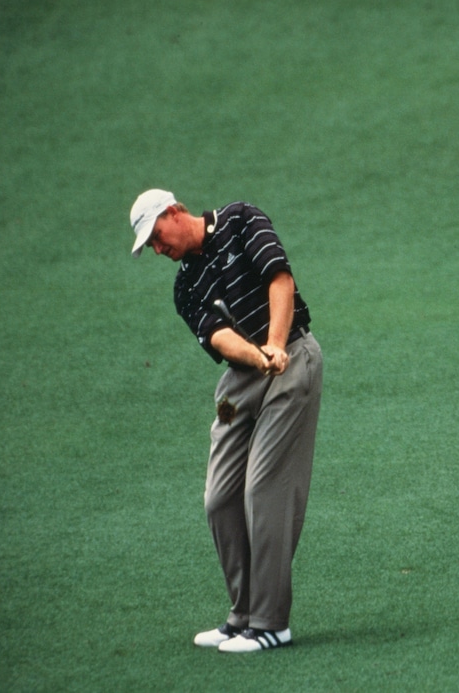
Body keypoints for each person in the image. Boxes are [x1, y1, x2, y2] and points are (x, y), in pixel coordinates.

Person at [129, 189, 323, 653]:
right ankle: (242, 615)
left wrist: (274, 345)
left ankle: (271, 622)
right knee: (219, 497)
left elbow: (280, 280)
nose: (158, 249)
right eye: (152, 246)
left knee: (264, 489)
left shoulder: (241, 219)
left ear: (174, 213)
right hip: (242, 379)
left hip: (293, 357)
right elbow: (219, 338)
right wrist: (257, 357)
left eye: (157, 237)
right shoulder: (185, 287)